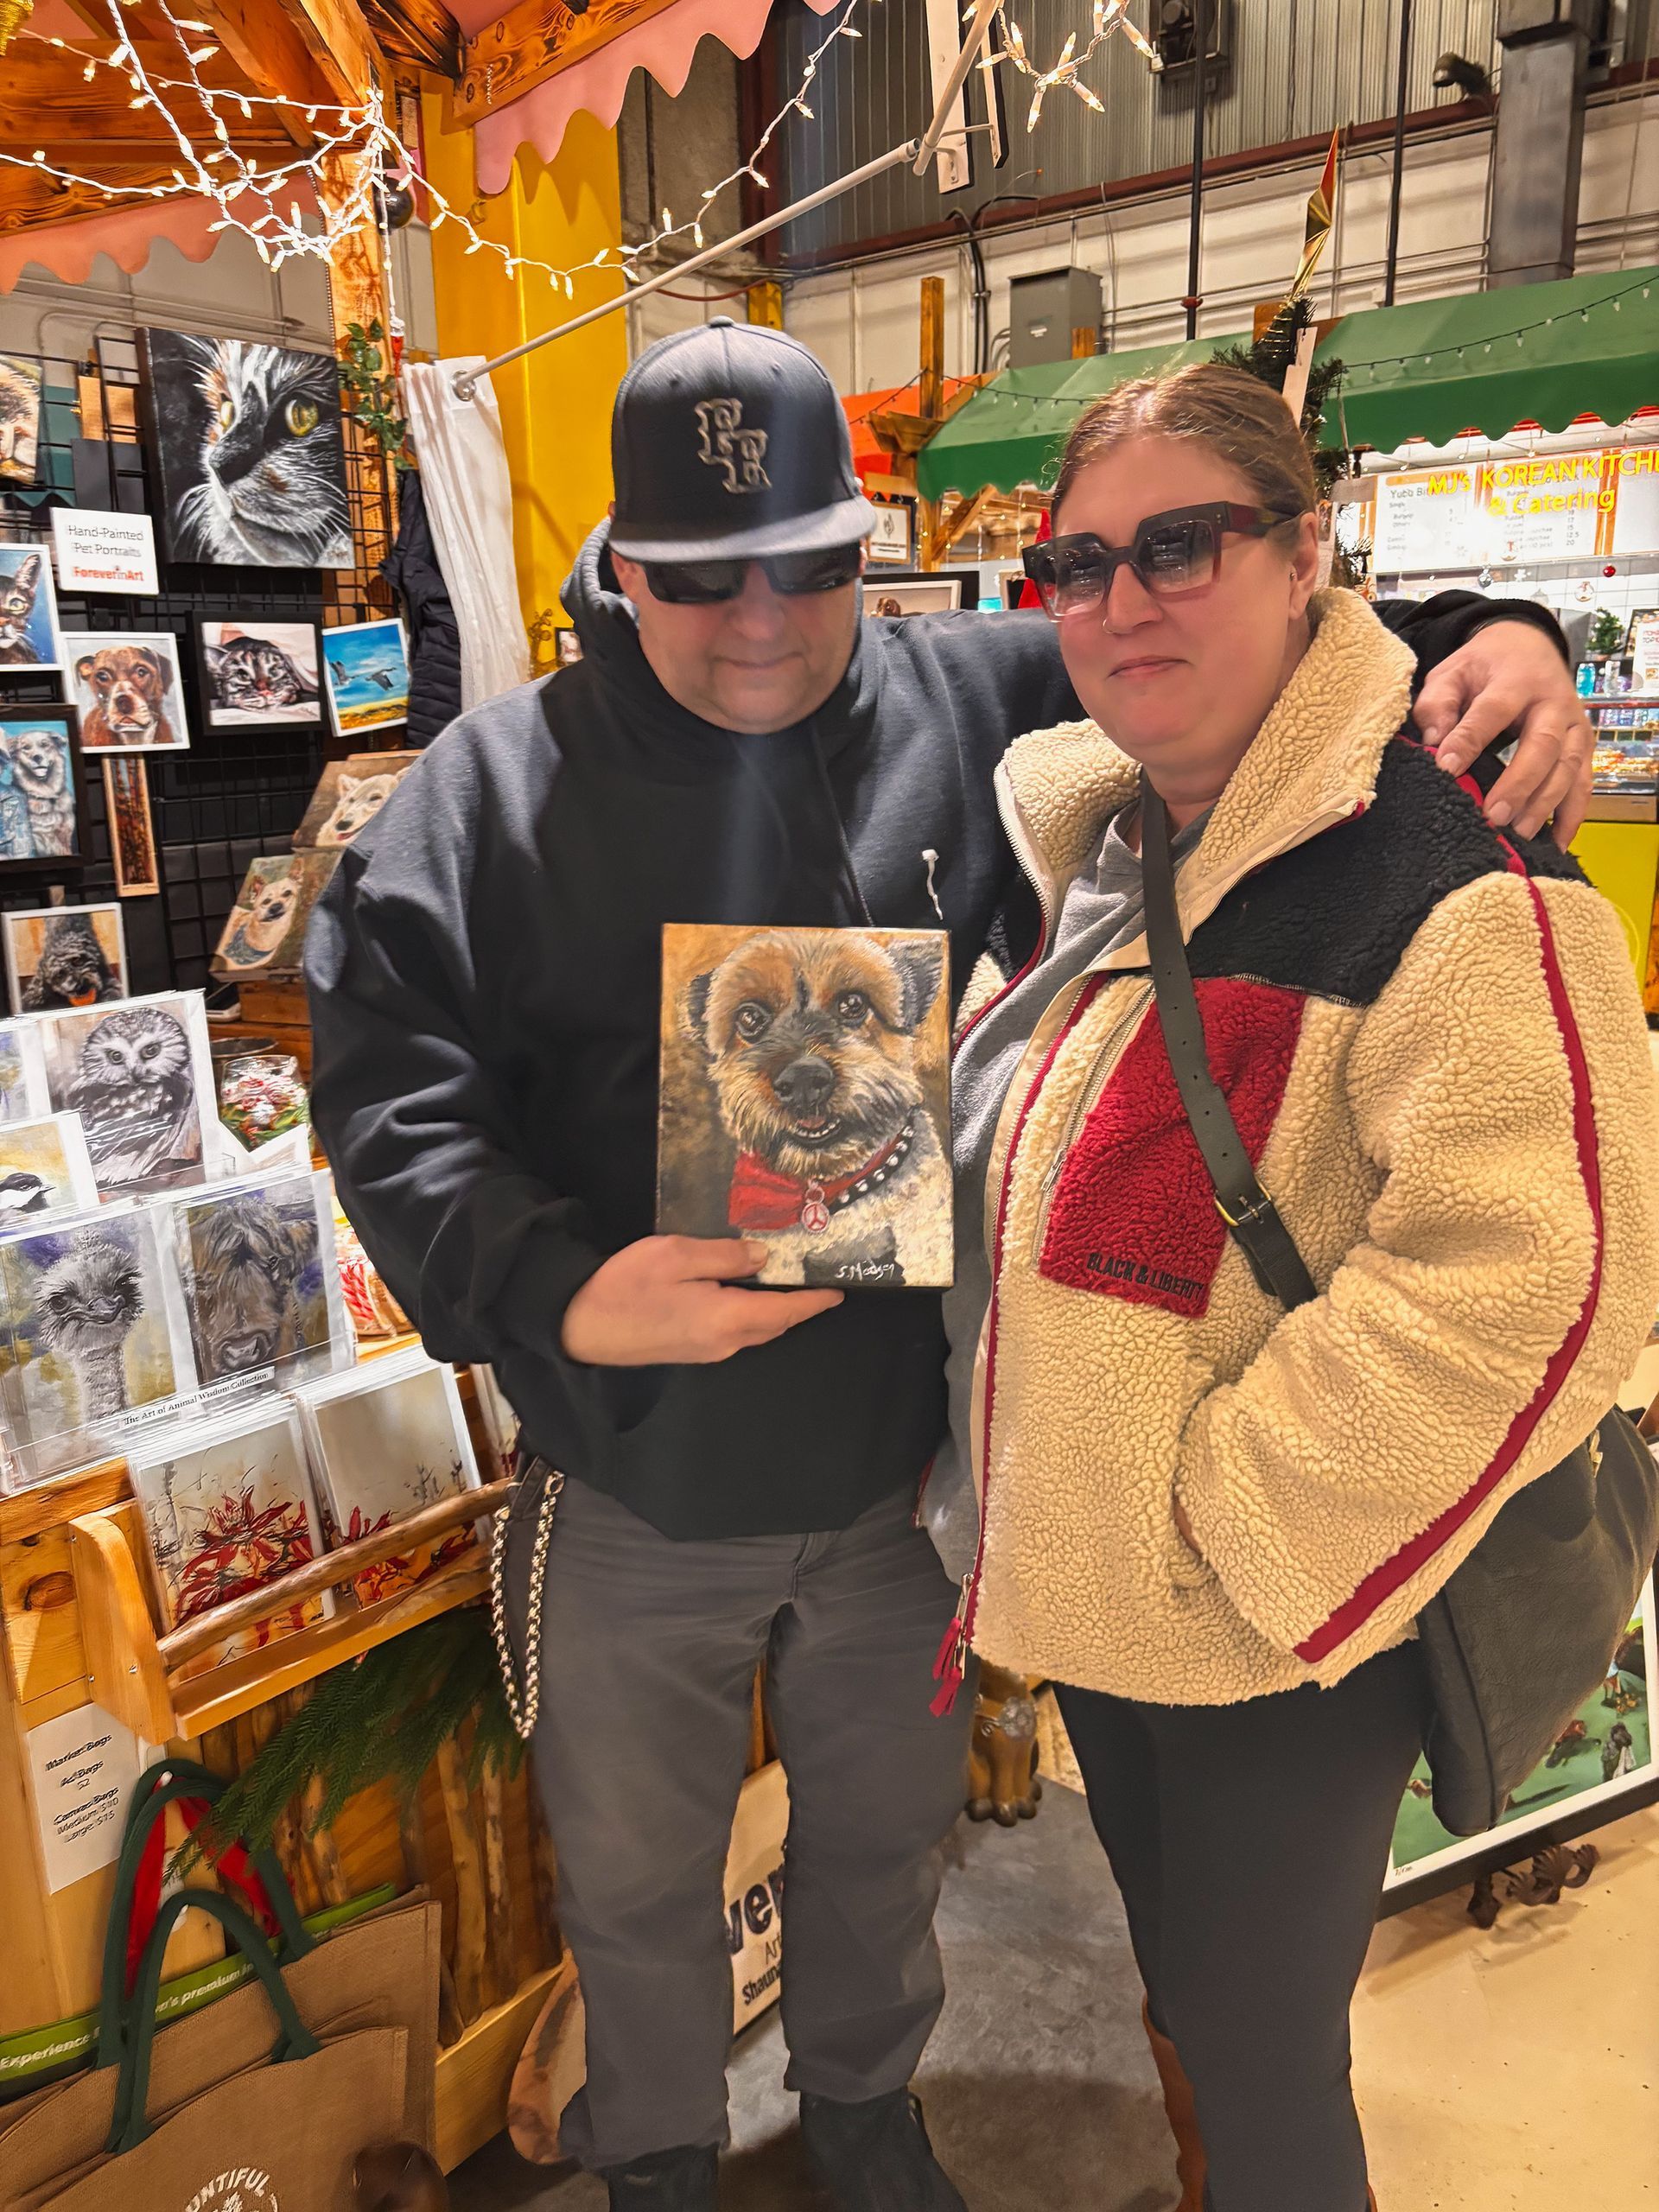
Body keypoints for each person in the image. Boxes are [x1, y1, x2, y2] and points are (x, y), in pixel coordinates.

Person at [305, 319, 1593, 2212]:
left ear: (862, 550)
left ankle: (863, 2109)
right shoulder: (495, 788)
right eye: (702, 577)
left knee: (883, 1845)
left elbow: (1245, 617)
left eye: (809, 565)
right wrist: (556, 1283)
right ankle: (657, 2151)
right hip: (635, 1470)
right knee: (641, 1867)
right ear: (621, 570)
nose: (760, 618)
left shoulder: (978, 698)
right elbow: (383, 1070)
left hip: (913, 1477)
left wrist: (1514, 632)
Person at [931, 362, 1659, 2212]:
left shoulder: (1454, 859)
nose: (1121, 597)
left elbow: (1552, 1276)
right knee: (1198, 2004)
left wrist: (1236, 1526)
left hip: (1283, 1617)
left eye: (1183, 542)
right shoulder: (1111, 837)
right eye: (1078, 562)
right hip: (1127, 1604)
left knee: (1262, 2069)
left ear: (1306, 554)